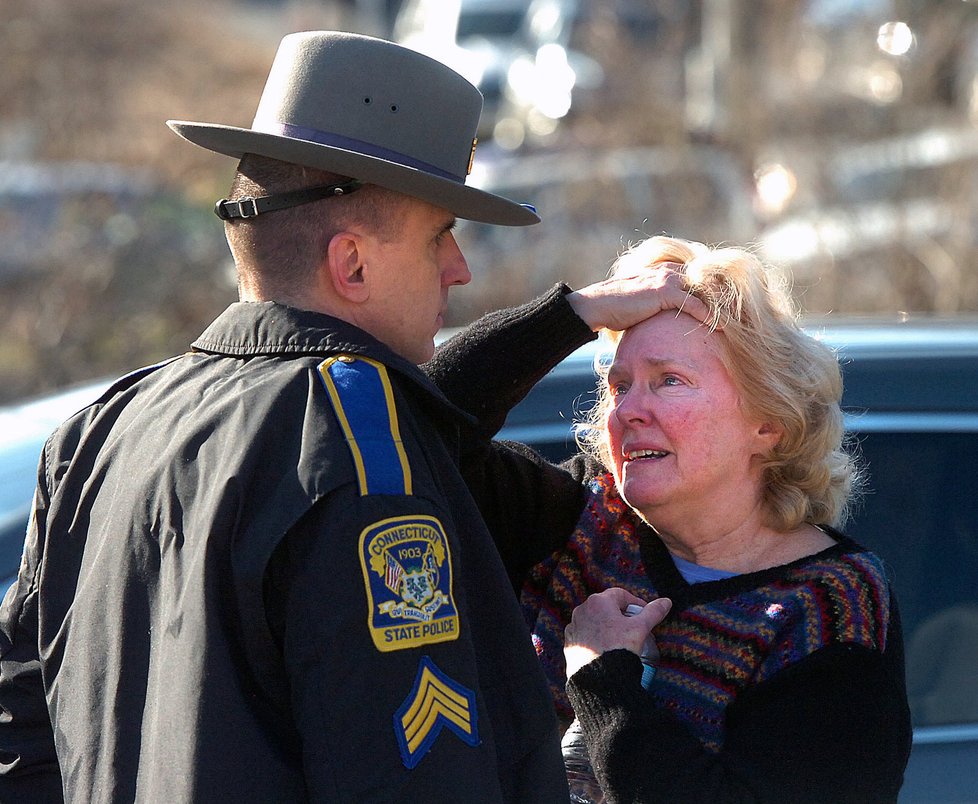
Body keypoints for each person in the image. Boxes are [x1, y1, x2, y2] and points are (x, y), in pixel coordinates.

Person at [0, 30, 700, 803]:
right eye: (442, 236)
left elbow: (22, 738)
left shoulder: (99, 432)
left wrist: (568, 315)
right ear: (353, 264)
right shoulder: (359, 447)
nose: (459, 269)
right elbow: (417, 778)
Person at [426, 236, 914, 802]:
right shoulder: (577, 519)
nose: (629, 410)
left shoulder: (829, 607)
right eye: (619, 386)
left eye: (669, 381)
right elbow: (412, 428)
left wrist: (604, 678)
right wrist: (575, 312)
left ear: (768, 422)